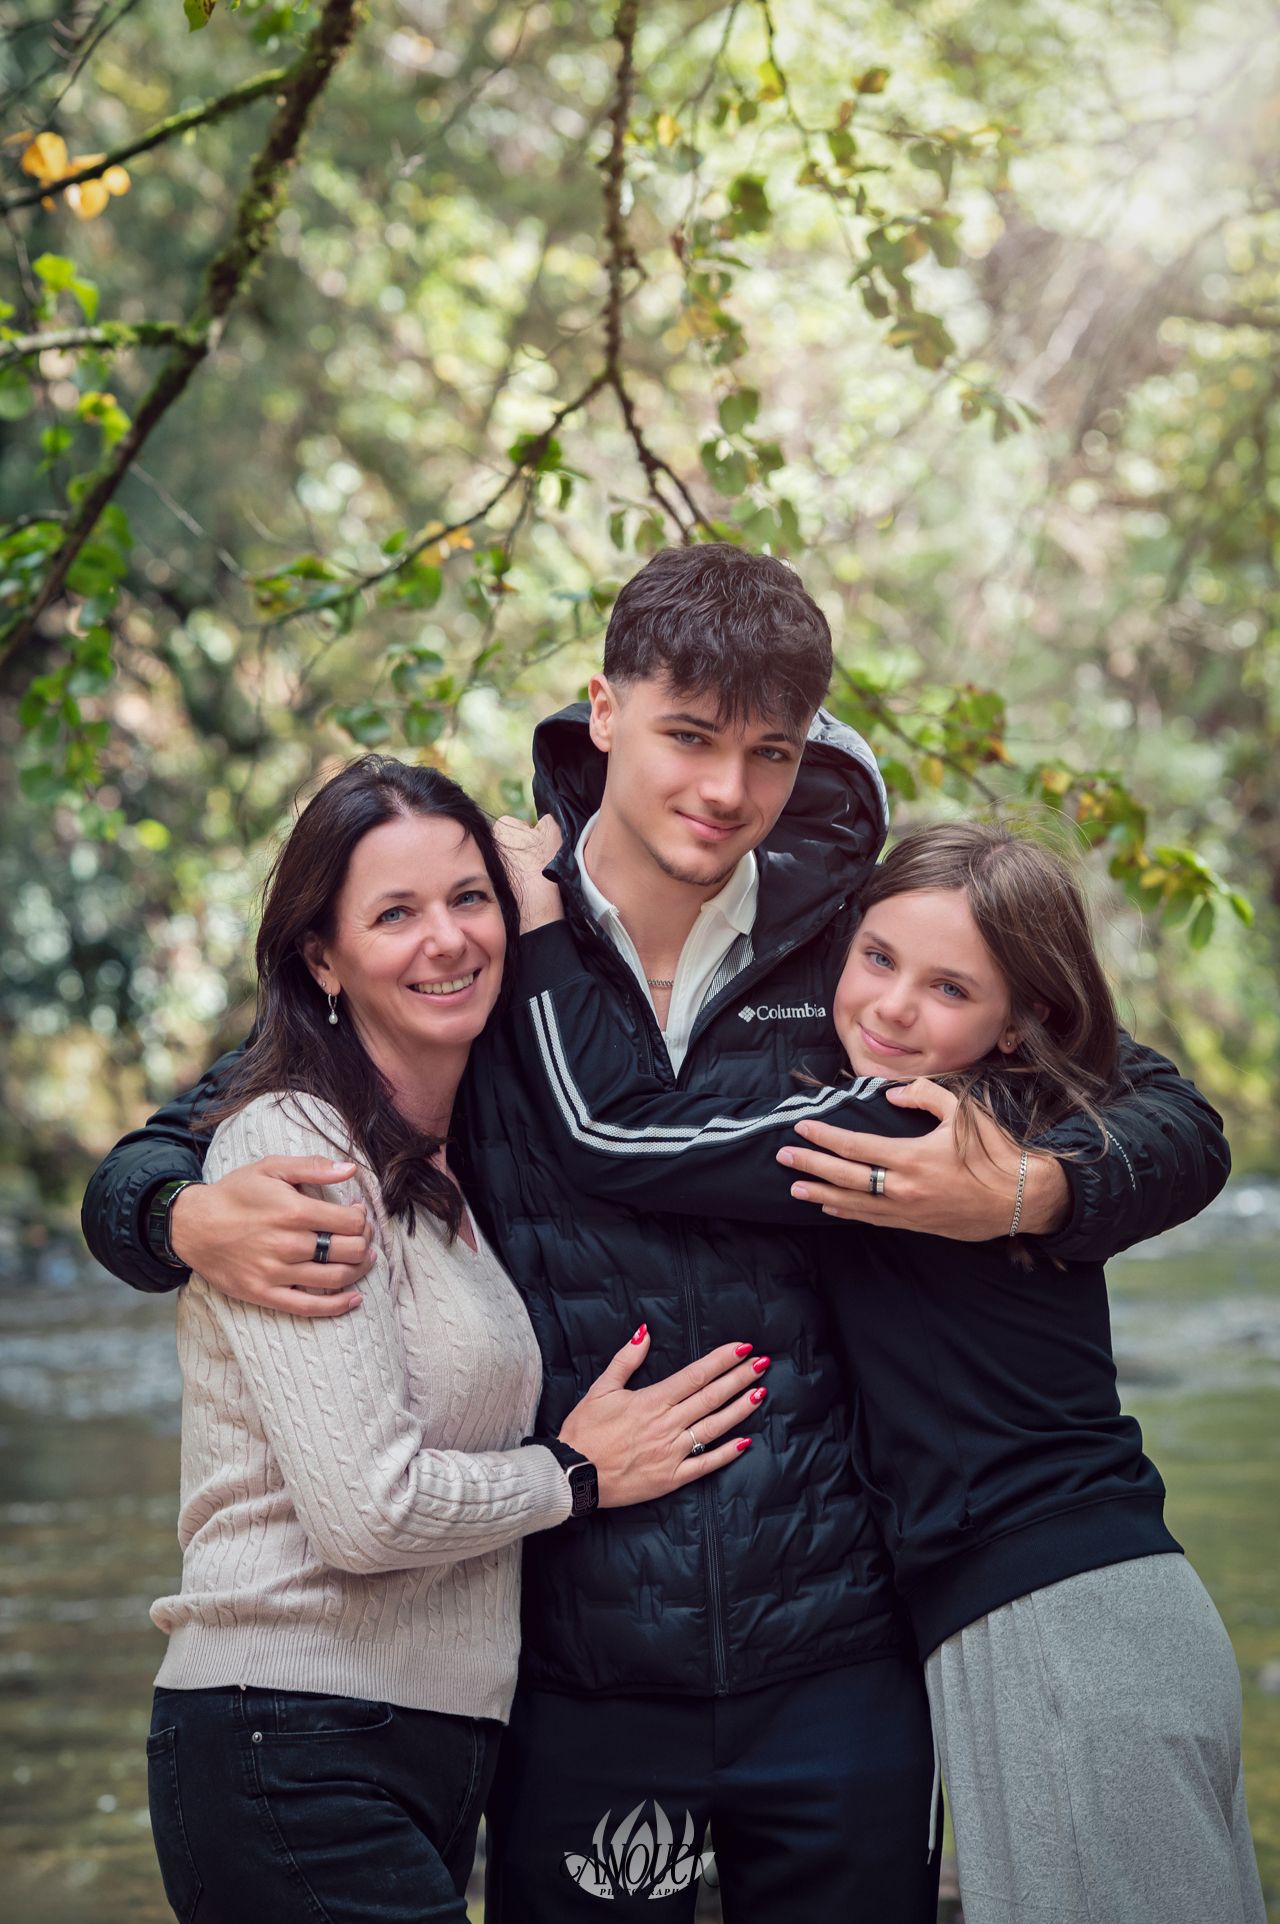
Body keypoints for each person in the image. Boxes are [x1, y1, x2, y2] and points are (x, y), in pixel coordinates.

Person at [83, 545, 1230, 1922]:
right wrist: (179, 1213)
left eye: (766, 753)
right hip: (583, 1662)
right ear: (604, 712)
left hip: (840, 1649)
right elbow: (178, 1142)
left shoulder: (856, 947)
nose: (723, 791)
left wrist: (1031, 1192)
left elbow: (1166, 1115)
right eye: (687, 736)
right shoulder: (478, 938)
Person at [502, 817, 1265, 1924]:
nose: (895, 1008)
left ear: (1019, 1024)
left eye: (950, 989)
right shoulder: (1015, 1105)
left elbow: (608, 1135)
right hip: (1076, 1601)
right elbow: (1172, 1110)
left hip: (1056, 1616)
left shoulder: (897, 1127)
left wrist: (538, 928)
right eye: (875, 958)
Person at [141, 755, 762, 1924]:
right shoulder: (295, 1149)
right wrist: (574, 1473)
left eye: (469, 897)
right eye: (393, 913)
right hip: (287, 1739)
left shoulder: (452, 1156)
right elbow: (367, 1512)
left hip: (418, 1746)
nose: (446, 939)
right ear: (321, 957)